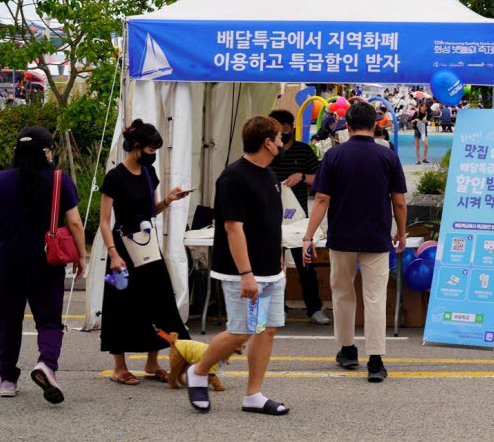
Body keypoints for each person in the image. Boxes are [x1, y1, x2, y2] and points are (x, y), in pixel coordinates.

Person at [186, 116, 289, 414]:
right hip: (241, 271)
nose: (283, 143)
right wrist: (246, 273)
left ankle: (253, 395)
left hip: (270, 269)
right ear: (267, 142)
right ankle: (200, 371)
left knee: (266, 330)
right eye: (279, 138)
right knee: (241, 331)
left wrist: (278, 259)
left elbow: (270, 222)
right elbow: (233, 227)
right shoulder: (233, 177)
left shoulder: (269, 174)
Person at [303, 101, 407, 383]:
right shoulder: (388, 157)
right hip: (376, 237)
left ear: (346, 126)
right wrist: (402, 232)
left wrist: (309, 236)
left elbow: (322, 199)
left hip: (342, 237)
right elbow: (398, 201)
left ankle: (348, 351)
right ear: (375, 126)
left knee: (342, 294)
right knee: (375, 297)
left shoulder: (334, 156)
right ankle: (376, 361)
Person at [99, 120, 192, 386]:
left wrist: (169, 200)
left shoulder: (149, 174)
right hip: (122, 248)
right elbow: (105, 221)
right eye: (152, 148)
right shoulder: (114, 177)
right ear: (137, 147)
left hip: (147, 245)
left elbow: (152, 210)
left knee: (160, 300)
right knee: (121, 305)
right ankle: (120, 367)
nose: (154, 153)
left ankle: (153, 362)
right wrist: (113, 253)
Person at [0, 127, 86, 402]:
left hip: (10, 261)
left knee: (8, 320)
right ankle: (46, 364)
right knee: (49, 321)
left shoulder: (1, 181)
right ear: (46, 151)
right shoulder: (60, 180)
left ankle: (7, 380)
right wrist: (81, 256)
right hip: (47, 261)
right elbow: (74, 223)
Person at [267, 110, 327, 325]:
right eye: (277, 130)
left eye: (286, 128)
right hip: (270, 219)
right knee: (273, 266)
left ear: (292, 128)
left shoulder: (303, 151)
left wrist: (302, 177)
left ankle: (314, 308)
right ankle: (277, 308)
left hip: (300, 221)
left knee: (305, 264)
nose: (282, 134)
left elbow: (321, 179)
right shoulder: (267, 152)